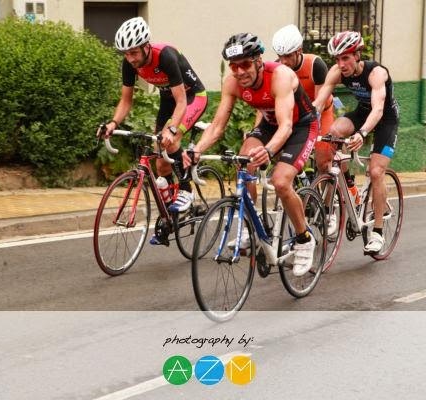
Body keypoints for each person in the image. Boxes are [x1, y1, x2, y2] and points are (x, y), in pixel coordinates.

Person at [182, 33, 319, 277]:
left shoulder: (280, 76)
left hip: (301, 126)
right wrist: (197, 149)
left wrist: (268, 151)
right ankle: (250, 226)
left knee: (281, 182)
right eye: (234, 66)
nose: (239, 71)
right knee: (243, 162)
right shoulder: (232, 82)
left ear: (258, 61)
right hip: (269, 124)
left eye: (245, 64)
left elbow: (286, 125)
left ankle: (304, 238)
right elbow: (217, 126)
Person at [102, 17, 208, 233]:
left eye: (134, 52)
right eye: (126, 53)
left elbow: (181, 101)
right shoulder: (129, 63)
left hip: (192, 98)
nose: (130, 58)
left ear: (146, 46)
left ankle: (186, 191)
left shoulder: (165, 56)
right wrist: (113, 123)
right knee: (160, 163)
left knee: (171, 140)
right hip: (168, 100)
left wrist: (172, 129)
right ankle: (170, 215)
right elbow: (126, 100)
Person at [313, 31, 399, 255]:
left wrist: (362, 133)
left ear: (357, 55)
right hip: (362, 113)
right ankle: (347, 188)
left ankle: (377, 233)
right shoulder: (336, 72)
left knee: (376, 171)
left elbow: (378, 110)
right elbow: (318, 103)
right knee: (333, 133)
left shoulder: (376, 74)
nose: (341, 64)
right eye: (337, 59)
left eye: (346, 58)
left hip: (385, 119)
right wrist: (304, 126)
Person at [271, 24, 340, 236]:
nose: (283, 61)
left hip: (320, 112)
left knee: (323, 161)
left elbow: (320, 101)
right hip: (295, 115)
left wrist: (313, 134)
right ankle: (302, 186)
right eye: (279, 56)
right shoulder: (278, 69)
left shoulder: (315, 65)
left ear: (299, 51)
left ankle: (329, 210)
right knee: (282, 156)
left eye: (287, 56)